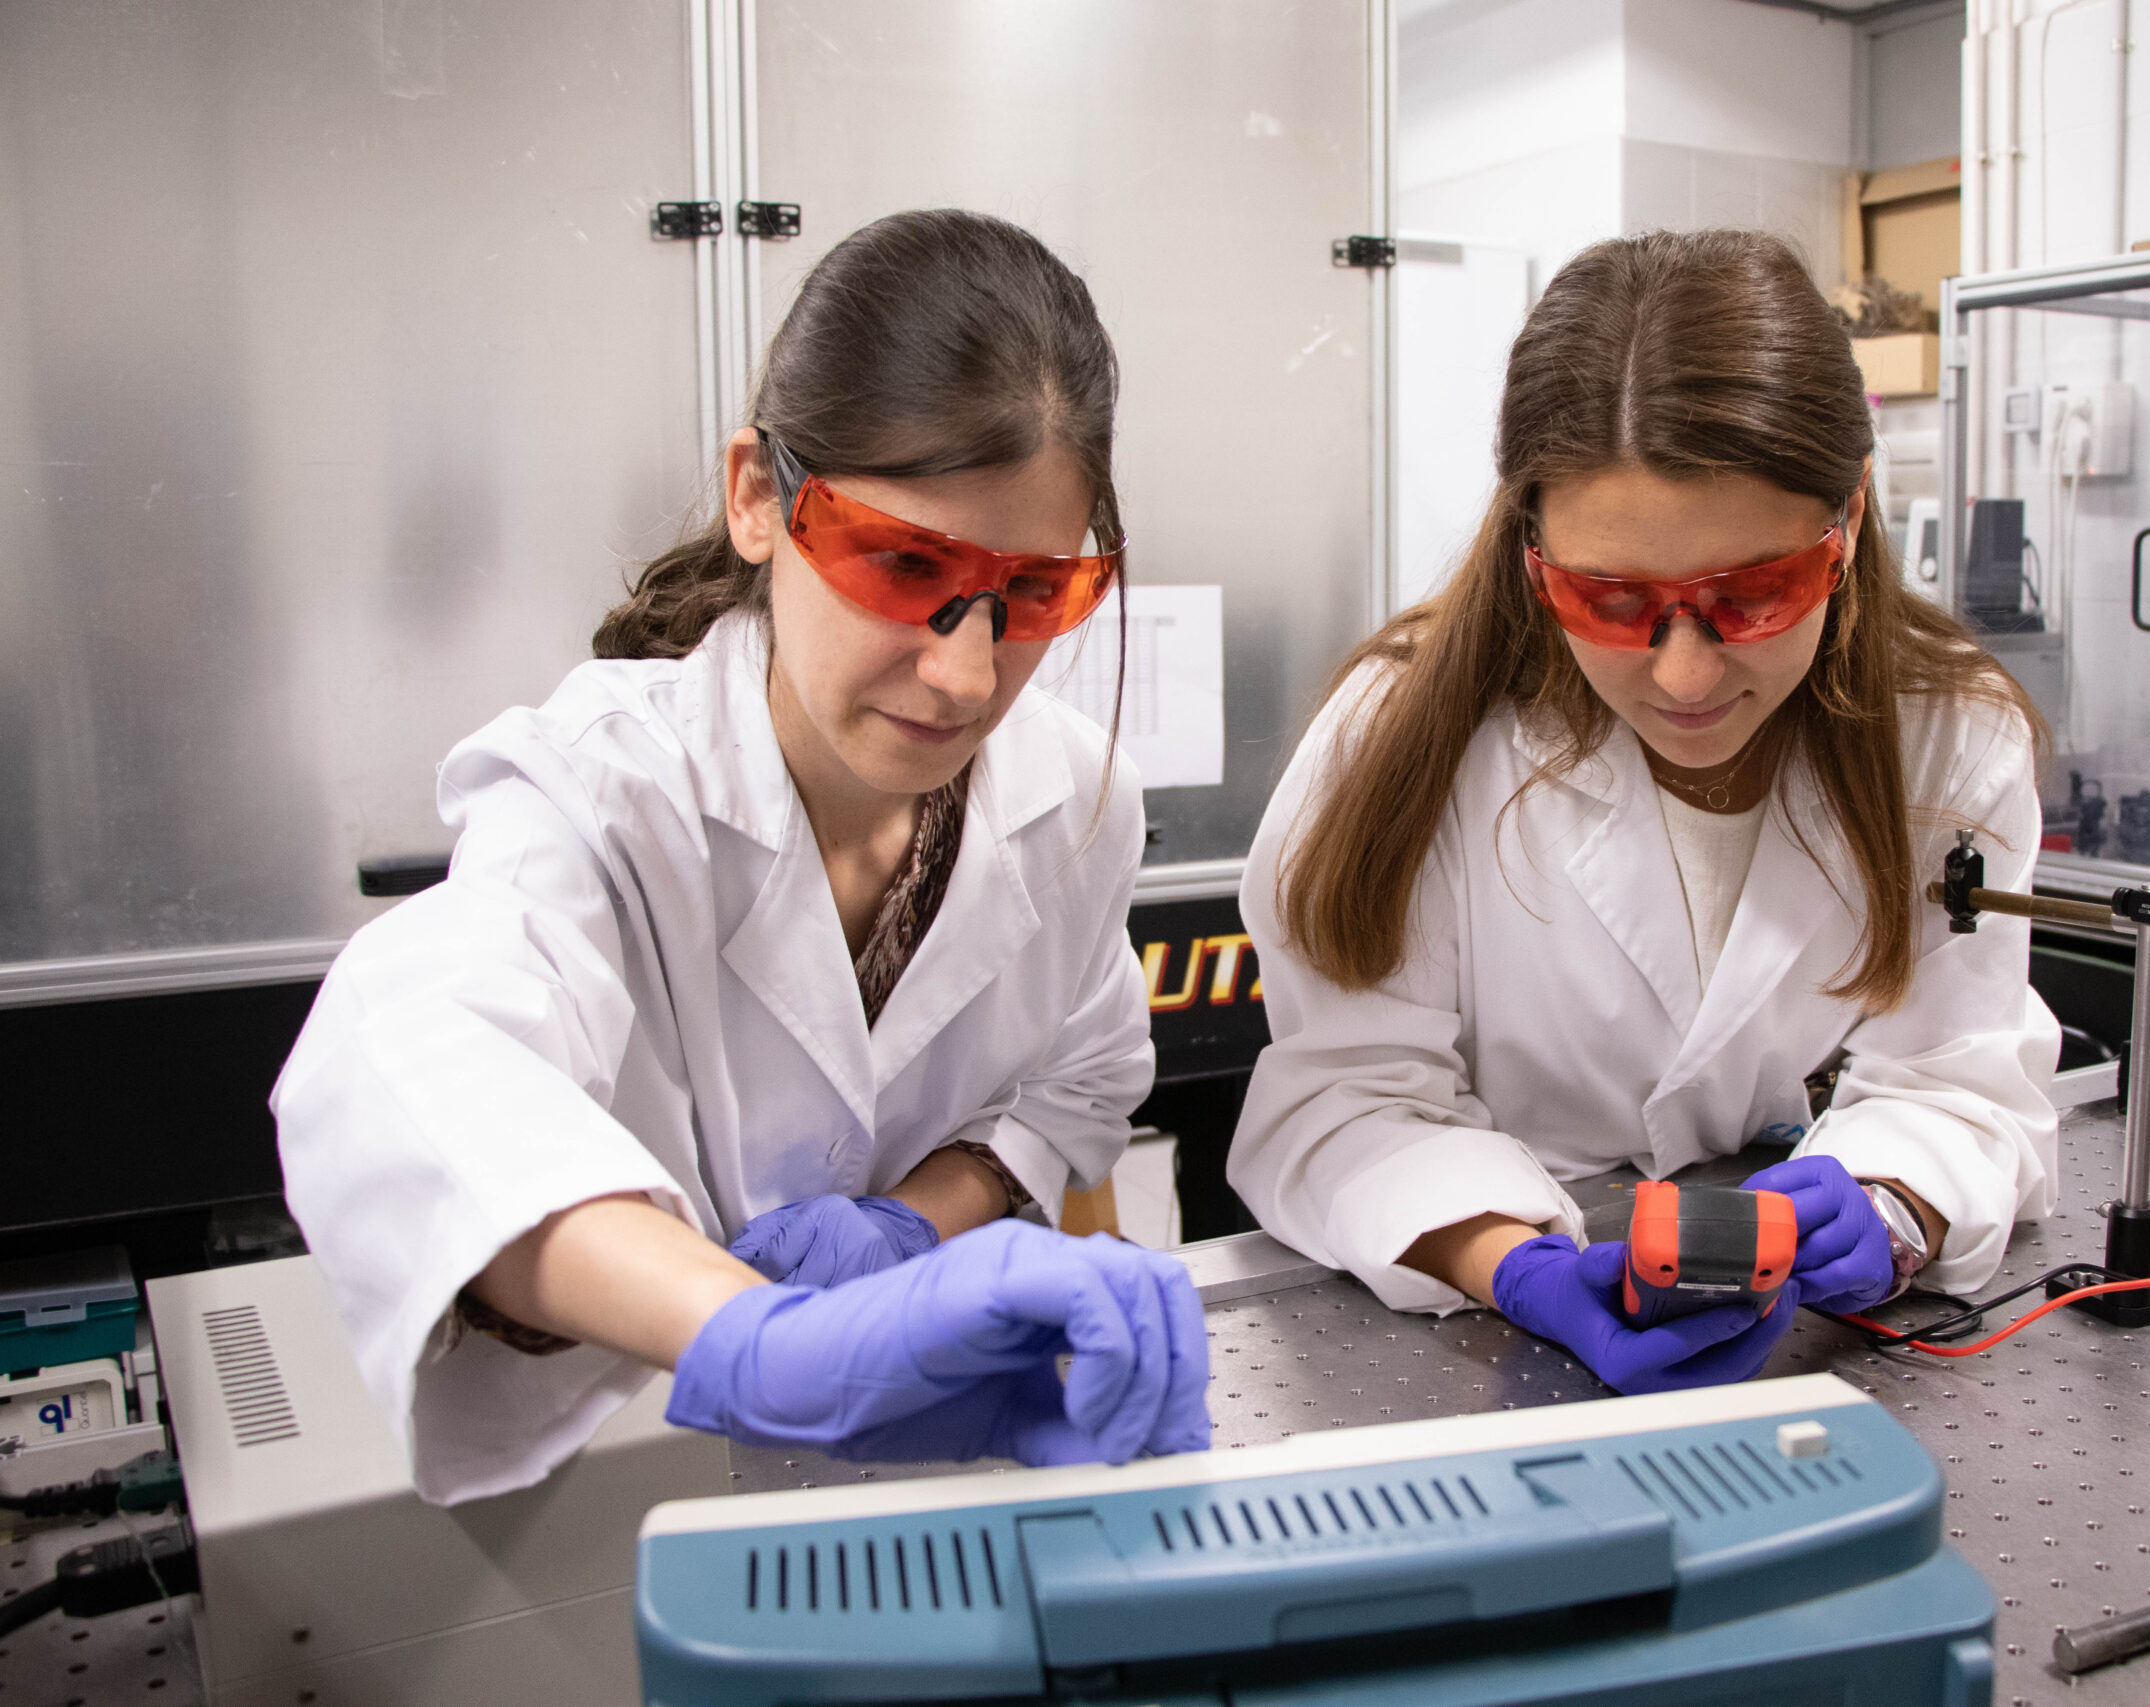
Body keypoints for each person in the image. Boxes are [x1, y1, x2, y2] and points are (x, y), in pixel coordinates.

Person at [274, 210, 1209, 1504]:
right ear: (760, 497)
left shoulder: (1073, 793)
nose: (966, 670)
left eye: (1036, 594)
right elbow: (411, 1065)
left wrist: (909, 1227)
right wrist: (758, 1338)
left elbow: (1080, 1082)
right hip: (630, 1468)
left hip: (940, 1441)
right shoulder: (607, 787)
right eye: (903, 564)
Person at [1229, 228, 2058, 1394]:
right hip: (1465, 1348)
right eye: (1608, 599)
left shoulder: (1948, 737)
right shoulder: (1402, 732)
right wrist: (1511, 1265)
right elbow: (1344, 1094)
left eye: (1752, 596)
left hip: (1811, 1369)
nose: (1683, 674)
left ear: (1850, 524)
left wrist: (1889, 1205)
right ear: (1533, 547)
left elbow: (1960, 1079)